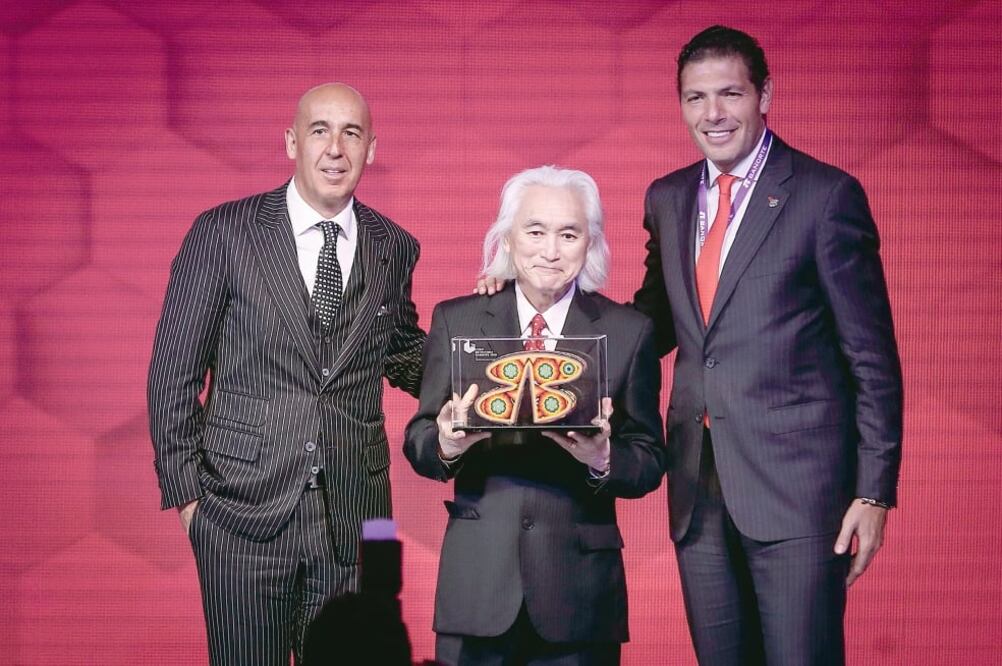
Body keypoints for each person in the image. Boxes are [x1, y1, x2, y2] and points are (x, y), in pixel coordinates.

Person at [632, 26, 904, 665]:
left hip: (798, 495)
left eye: (730, 93)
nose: (713, 113)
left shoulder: (825, 196)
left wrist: (874, 493)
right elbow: (654, 322)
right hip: (697, 489)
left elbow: (873, 360)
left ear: (765, 95)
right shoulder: (667, 199)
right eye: (696, 98)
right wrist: (539, 301)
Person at [147, 83, 425, 665]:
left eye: (352, 133)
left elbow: (398, 350)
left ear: (372, 149)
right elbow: (172, 372)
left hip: (355, 522)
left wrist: (488, 335)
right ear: (291, 142)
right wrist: (190, 504)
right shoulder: (224, 233)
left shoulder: (393, 246)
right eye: (319, 130)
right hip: (238, 520)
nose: (335, 148)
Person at [406, 166, 666, 666]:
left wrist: (604, 458)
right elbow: (419, 437)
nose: (551, 250)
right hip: (477, 587)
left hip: (580, 593)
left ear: (590, 243)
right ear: (507, 238)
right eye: (535, 231)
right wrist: (447, 445)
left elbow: (650, 458)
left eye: (568, 234)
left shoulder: (627, 331)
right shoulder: (456, 319)